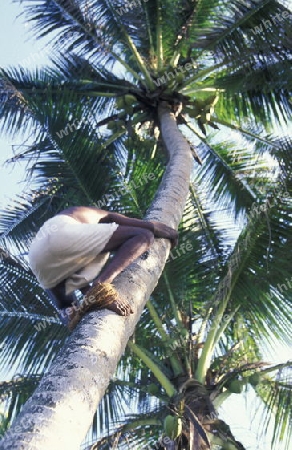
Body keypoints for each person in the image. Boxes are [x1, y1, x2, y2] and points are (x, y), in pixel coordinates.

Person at [28, 206, 178, 330]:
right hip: (62, 235)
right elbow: (134, 224)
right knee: (143, 236)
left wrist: (91, 296)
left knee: (70, 312)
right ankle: (102, 284)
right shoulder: (101, 215)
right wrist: (164, 230)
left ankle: (76, 326)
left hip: (37, 259)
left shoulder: (76, 228)